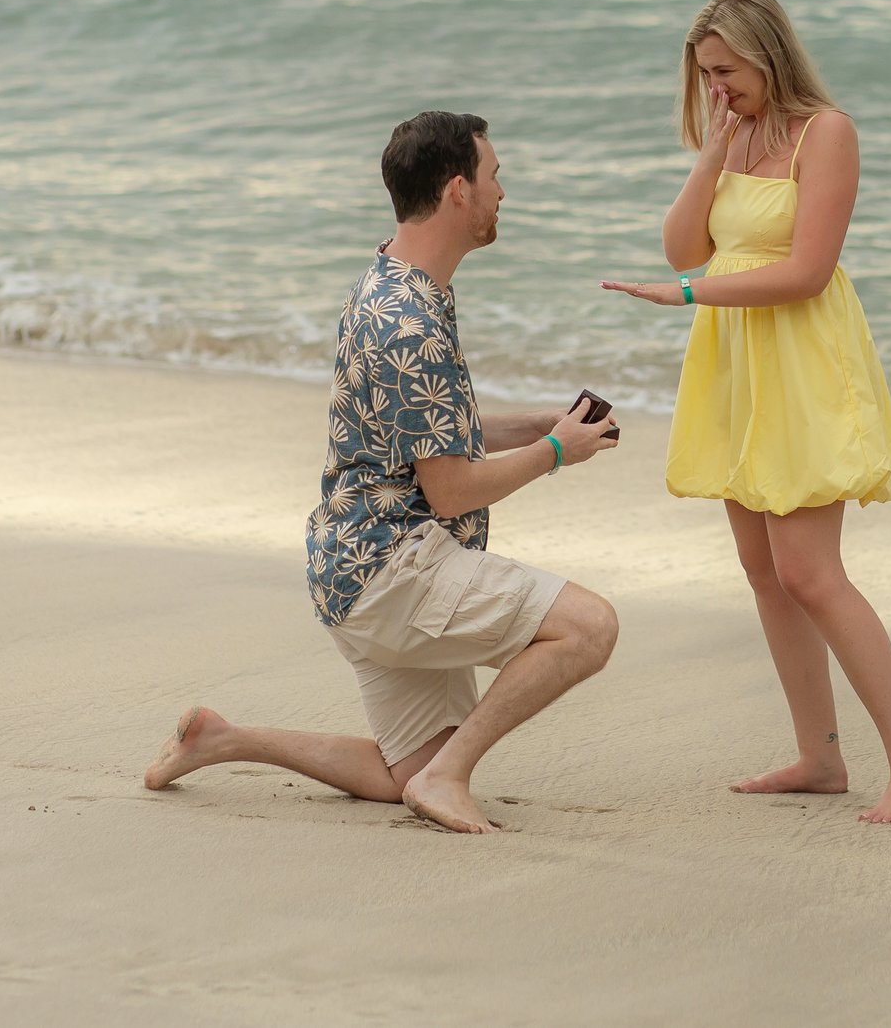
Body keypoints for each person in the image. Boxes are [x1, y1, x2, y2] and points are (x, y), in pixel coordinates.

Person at [145, 110, 622, 834]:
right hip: (398, 569)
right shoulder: (410, 318)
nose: (504, 191)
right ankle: (450, 776)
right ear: (458, 190)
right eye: (496, 175)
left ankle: (222, 738)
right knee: (591, 627)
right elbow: (451, 485)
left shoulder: (392, 283)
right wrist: (556, 453)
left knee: (403, 771)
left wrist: (535, 426)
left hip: (352, 570)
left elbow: (418, 434)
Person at [602, 0, 891, 824]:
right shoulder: (734, 132)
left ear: (767, 54)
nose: (716, 87)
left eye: (726, 72)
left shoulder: (826, 132)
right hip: (735, 357)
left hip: (799, 355)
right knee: (764, 573)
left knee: (809, 571)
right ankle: (819, 758)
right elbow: (684, 245)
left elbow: (807, 271)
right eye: (705, 76)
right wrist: (712, 150)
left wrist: (684, 295)